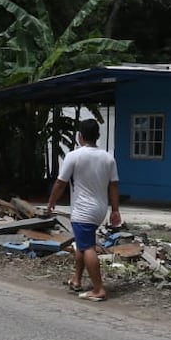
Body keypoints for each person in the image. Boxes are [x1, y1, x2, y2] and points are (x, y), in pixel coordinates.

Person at [45, 119, 121, 302]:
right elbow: (114, 186)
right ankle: (76, 280)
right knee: (82, 242)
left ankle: (98, 289)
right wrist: (115, 210)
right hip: (100, 209)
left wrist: (51, 202)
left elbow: (60, 183)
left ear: (80, 136)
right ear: (98, 136)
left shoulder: (74, 156)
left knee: (87, 247)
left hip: (83, 210)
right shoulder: (108, 157)